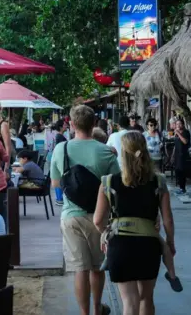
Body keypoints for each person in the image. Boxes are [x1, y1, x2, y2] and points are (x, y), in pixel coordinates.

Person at [93, 132, 181, 315]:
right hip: (148, 245)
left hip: (120, 245)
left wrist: (106, 233)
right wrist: (170, 243)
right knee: (146, 298)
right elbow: (168, 220)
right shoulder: (159, 181)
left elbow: (98, 220)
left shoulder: (108, 182)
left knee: (129, 301)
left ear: (122, 154)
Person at [50, 105, 120, 315]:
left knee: (80, 269)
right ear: (94, 124)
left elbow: (55, 183)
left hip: (71, 216)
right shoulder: (106, 151)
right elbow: (116, 185)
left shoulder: (60, 149)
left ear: (71, 124)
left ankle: (84, 312)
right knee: (98, 268)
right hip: (99, 217)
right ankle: (98, 308)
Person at [173, 119, 190, 194]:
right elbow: (175, 145)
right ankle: (180, 187)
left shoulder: (186, 132)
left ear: (183, 124)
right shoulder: (176, 134)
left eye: (180, 124)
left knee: (182, 171)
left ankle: (183, 188)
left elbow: (185, 142)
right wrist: (172, 155)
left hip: (183, 154)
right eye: (177, 124)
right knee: (177, 171)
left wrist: (179, 134)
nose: (178, 126)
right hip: (177, 154)